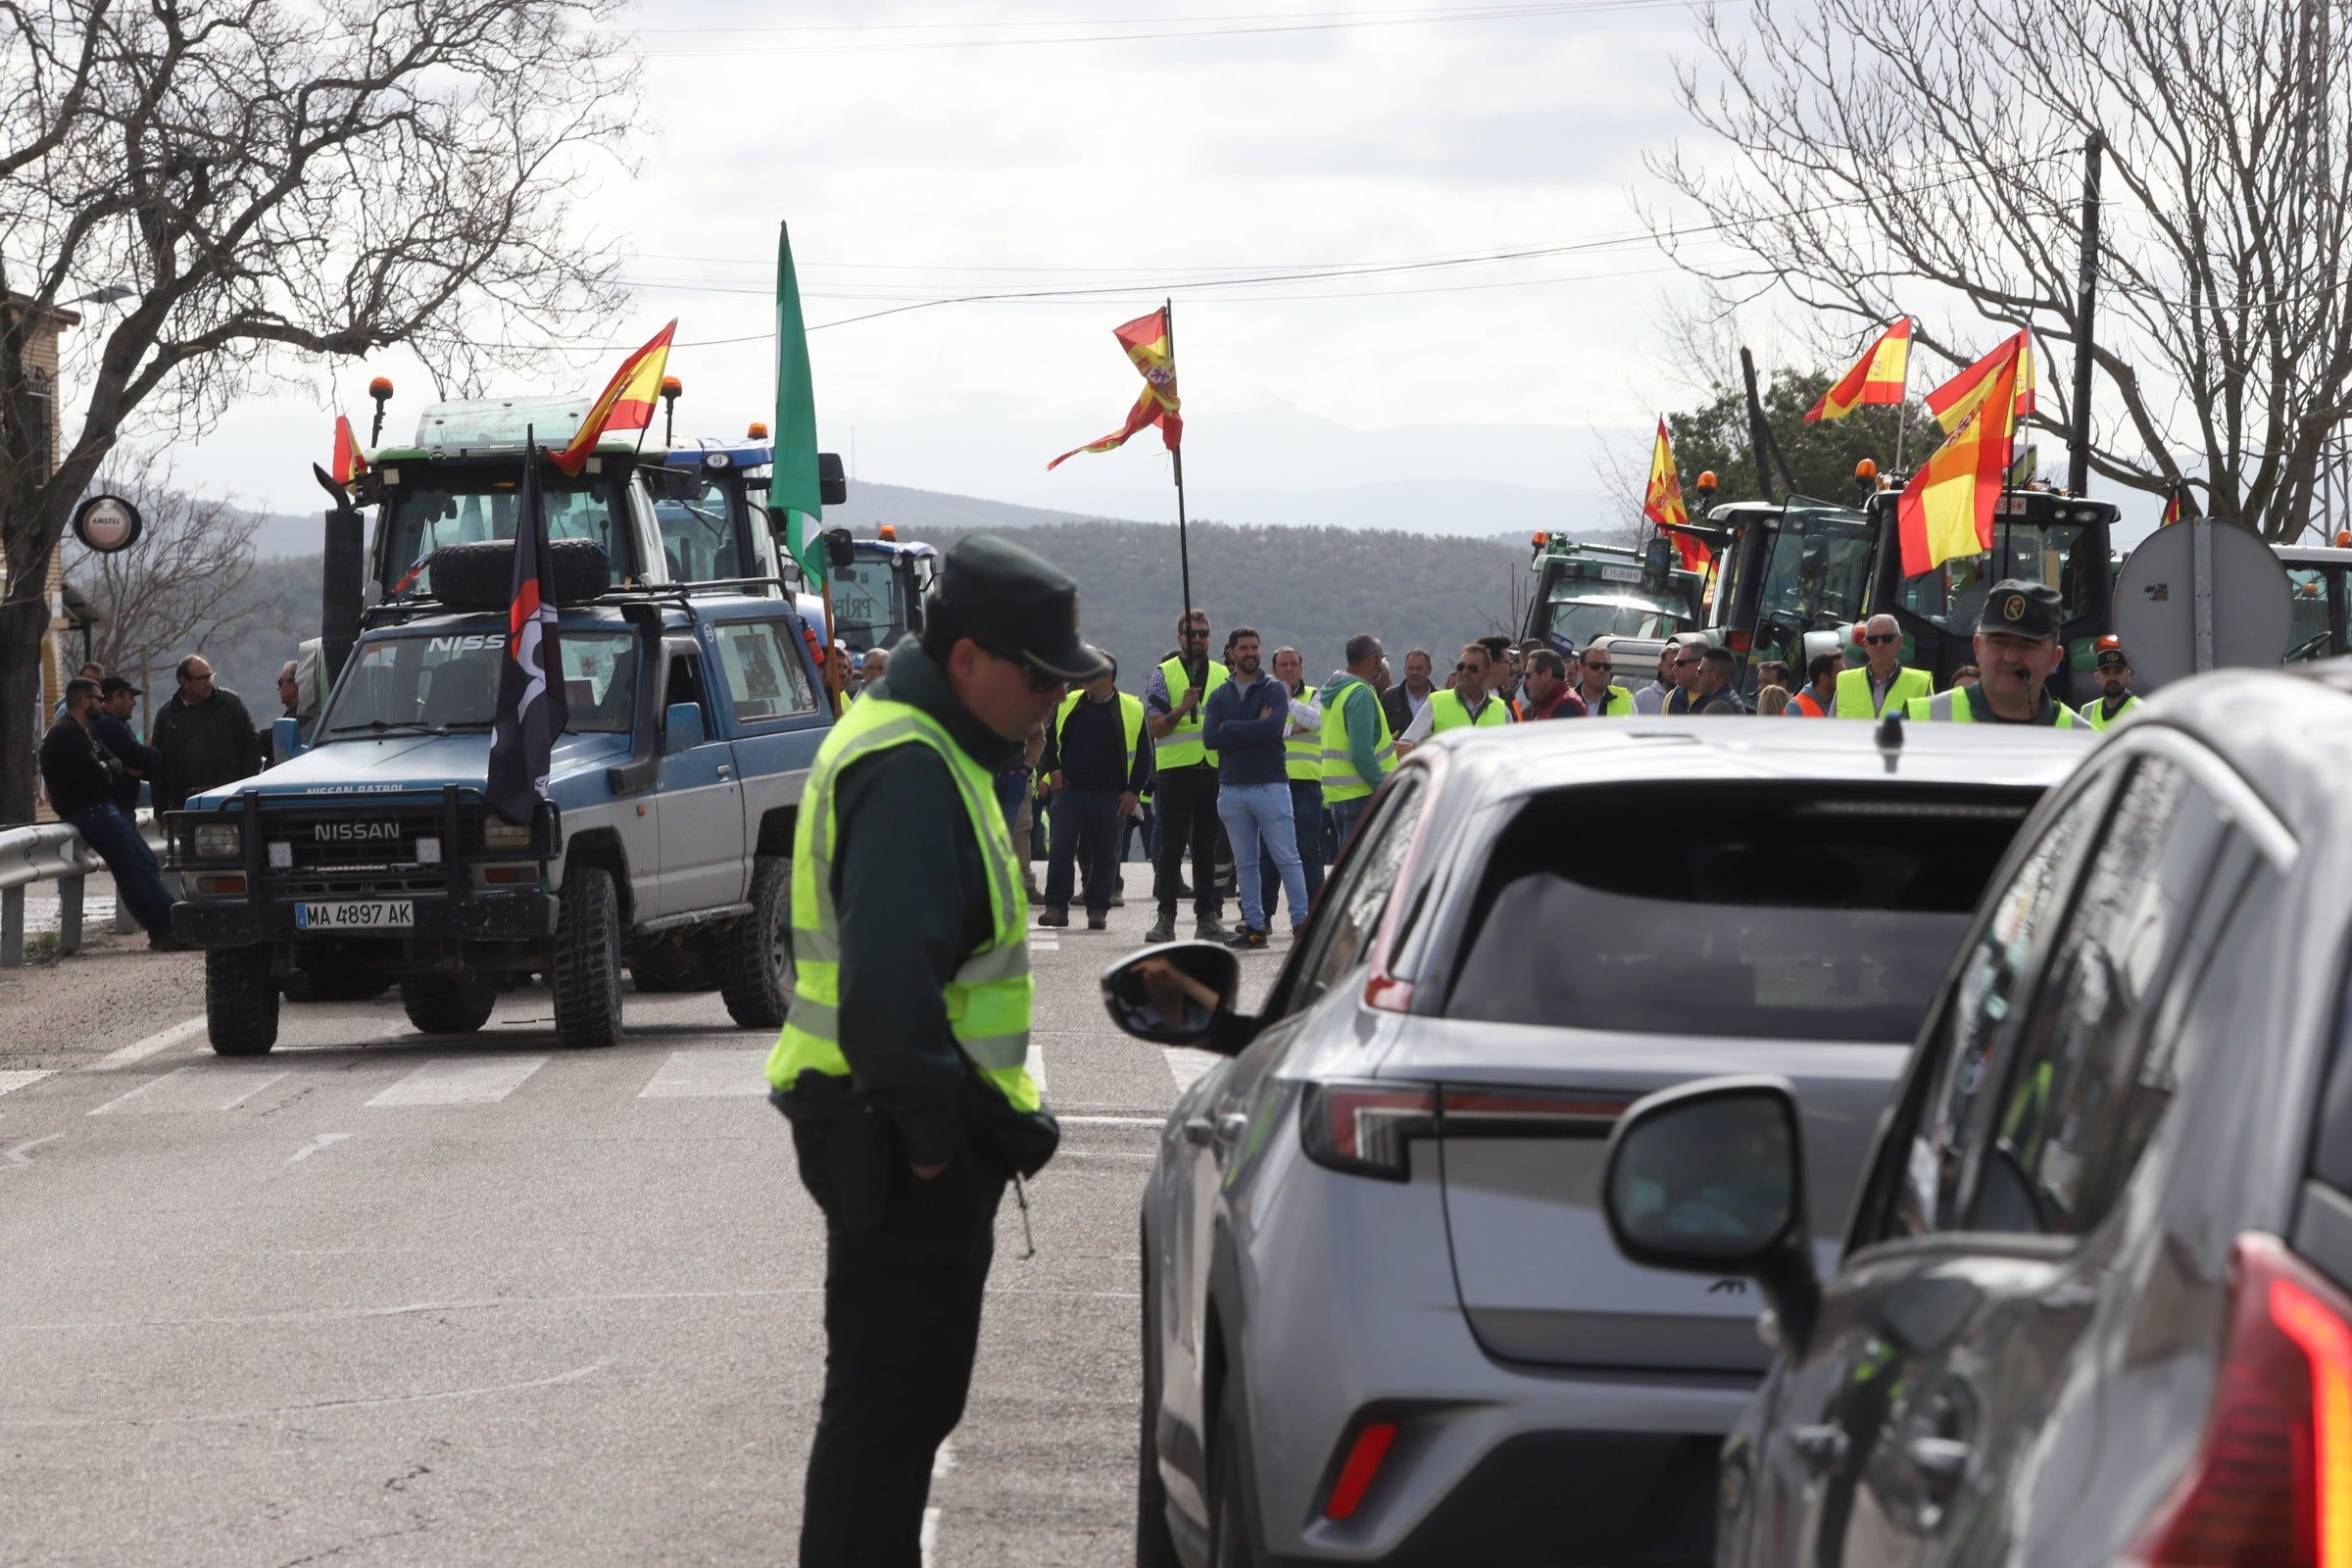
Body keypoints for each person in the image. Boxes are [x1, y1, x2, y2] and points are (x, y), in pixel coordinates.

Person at [764, 533, 1092, 1568]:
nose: (1049, 699)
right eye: (1039, 677)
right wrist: (942, 1148)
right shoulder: (909, 764)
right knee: (884, 1420)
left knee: (896, 1415)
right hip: (899, 1138)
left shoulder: (933, 745)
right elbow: (887, 1001)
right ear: (969, 662)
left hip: (892, 1128)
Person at [39, 678, 179, 950]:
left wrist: (111, 768)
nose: (101, 704)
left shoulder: (85, 731)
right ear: (84, 701)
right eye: (97, 699)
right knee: (131, 867)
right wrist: (110, 768)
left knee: (144, 861)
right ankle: (166, 929)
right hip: (89, 812)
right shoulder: (66, 733)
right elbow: (102, 775)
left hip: (102, 808)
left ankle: (170, 924)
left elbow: (110, 766)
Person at [1203, 629, 1310, 950]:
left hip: (1270, 787)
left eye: (1255, 647)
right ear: (1232, 653)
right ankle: (1254, 927)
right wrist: (1253, 726)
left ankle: (1301, 924)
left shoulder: (1275, 689)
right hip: (1232, 789)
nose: (1250, 652)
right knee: (1245, 864)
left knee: (1287, 858)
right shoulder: (1219, 695)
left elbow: (1273, 727)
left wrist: (1231, 727)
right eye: (1244, 648)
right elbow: (1210, 739)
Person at [1040, 656, 1150, 931]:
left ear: (1108, 676)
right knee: (1062, 850)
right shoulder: (1069, 702)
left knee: (1106, 854)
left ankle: (1098, 910)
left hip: (1110, 795)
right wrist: (1053, 771)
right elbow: (1049, 740)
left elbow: (1145, 756)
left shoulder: (1132, 709)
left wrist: (1133, 792)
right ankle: (1055, 907)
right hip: (1070, 791)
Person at [1143, 610, 1229, 945]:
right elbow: (1156, 727)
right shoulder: (1161, 675)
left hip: (1213, 769)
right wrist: (1181, 708)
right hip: (1176, 771)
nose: (1198, 639)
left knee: (1207, 847)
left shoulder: (1224, 674)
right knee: (1172, 846)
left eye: (1203, 633)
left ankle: (1207, 917)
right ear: (1180, 638)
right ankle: (1166, 917)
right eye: (1191, 634)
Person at [1905, 581, 2082, 726]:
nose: (2010, 657)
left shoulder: (2087, 744)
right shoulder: (1917, 722)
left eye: (2026, 645)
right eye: (1999, 642)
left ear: (2054, 659)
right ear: (1977, 647)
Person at [149, 655, 264, 814]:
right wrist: (160, 807)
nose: (209, 682)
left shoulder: (229, 705)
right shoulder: (167, 715)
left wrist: (245, 789)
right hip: (184, 804)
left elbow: (251, 747)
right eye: (202, 678)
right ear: (184, 682)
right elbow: (158, 764)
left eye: (210, 676)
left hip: (228, 799)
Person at [1262, 645, 1326, 926]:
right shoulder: (1261, 694)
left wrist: (1286, 702)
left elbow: (1317, 721)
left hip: (1307, 784)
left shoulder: (1317, 694)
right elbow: (1258, 727)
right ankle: (1261, 917)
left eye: (1293, 664)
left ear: (1301, 667)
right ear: (1274, 669)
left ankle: (1314, 915)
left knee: (1309, 850)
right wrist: (1292, 728)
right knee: (1268, 852)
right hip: (1272, 782)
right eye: (1283, 665)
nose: (1288, 669)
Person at [1317, 633, 1394, 853]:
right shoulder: (1360, 694)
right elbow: (1361, 753)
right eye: (1381, 658)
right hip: (1363, 794)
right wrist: (1384, 786)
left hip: (1339, 794)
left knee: (1349, 863)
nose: (1381, 664)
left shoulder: (1336, 691)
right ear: (1371, 660)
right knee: (1361, 870)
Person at [1402, 644, 1512, 740]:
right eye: (1460, 667)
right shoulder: (1436, 702)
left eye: (1472, 668)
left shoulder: (1502, 710)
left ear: (1487, 672)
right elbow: (1408, 743)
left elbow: (1509, 751)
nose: (1465, 672)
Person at [1836, 614, 1934, 718]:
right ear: (1866, 645)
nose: (1879, 644)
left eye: (1887, 639)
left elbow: (1930, 730)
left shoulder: (1922, 684)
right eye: (1873, 640)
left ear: (1899, 642)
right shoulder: (1844, 682)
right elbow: (1830, 729)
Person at [92, 676, 160, 812]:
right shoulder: (111, 725)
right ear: (117, 697)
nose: (134, 703)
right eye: (131, 697)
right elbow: (141, 756)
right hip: (116, 808)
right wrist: (157, 754)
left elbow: (139, 762)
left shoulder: (110, 723)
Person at [2079, 643, 2142, 730]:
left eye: (2118, 672)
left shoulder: (2141, 711)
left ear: (2127, 676)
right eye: (2106, 672)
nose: (2112, 678)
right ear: (2097, 677)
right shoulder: (2087, 711)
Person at [1380, 648, 1436, 736]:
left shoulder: (1439, 699)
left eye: (1419, 668)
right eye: (1410, 668)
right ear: (1404, 669)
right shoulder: (1388, 698)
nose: (1414, 672)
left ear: (1429, 670)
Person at [1571, 639, 1634, 715]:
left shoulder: (1625, 699)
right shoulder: (1566, 699)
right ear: (1581, 668)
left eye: (1606, 667)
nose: (1601, 670)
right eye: (1595, 666)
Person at [1519, 647, 1584, 718]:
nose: (1524, 681)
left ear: (1546, 675)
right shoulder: (1546, 703)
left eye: (1527, 675)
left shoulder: (1566, 707)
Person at [1686, 646, 1747, 714]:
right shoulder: (1727, 700)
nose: (1697, 675)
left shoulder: (1719, 707)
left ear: (1714, 675)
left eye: (1700, 671)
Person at [1788, 652, 1841, 717]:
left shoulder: (1842, 699)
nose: (1845, 676)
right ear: (1824, 677)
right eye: (1840, 673)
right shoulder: (1795, 707)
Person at [1664, 638, 1709, 714]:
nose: (1674, 669)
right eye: (1675, 663)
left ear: (1699, 664)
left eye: (1680, 663)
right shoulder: (1671, 698)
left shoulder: (1719, 699)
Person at [1633, 644, 1678, 715]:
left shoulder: (1689, 698)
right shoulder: (1642, 698)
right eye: (1671, 666)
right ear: (1660, 667)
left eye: (1679, 666)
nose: (1675, 670)